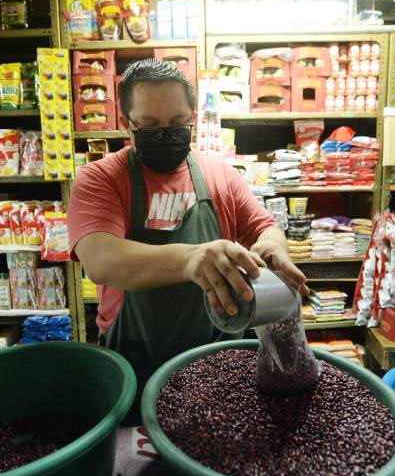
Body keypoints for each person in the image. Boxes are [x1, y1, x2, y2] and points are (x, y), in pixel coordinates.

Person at [69, 59, 307, 389]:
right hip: (135, 365)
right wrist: (190, 259)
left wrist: (272, 246)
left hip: (220, 362)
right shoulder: (101, 178)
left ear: (192, 118)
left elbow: (264, 228)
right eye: (150, 126)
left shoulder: (221, 175)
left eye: (178, 122)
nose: (166, 134)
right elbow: (100, 259)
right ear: (127, 123)